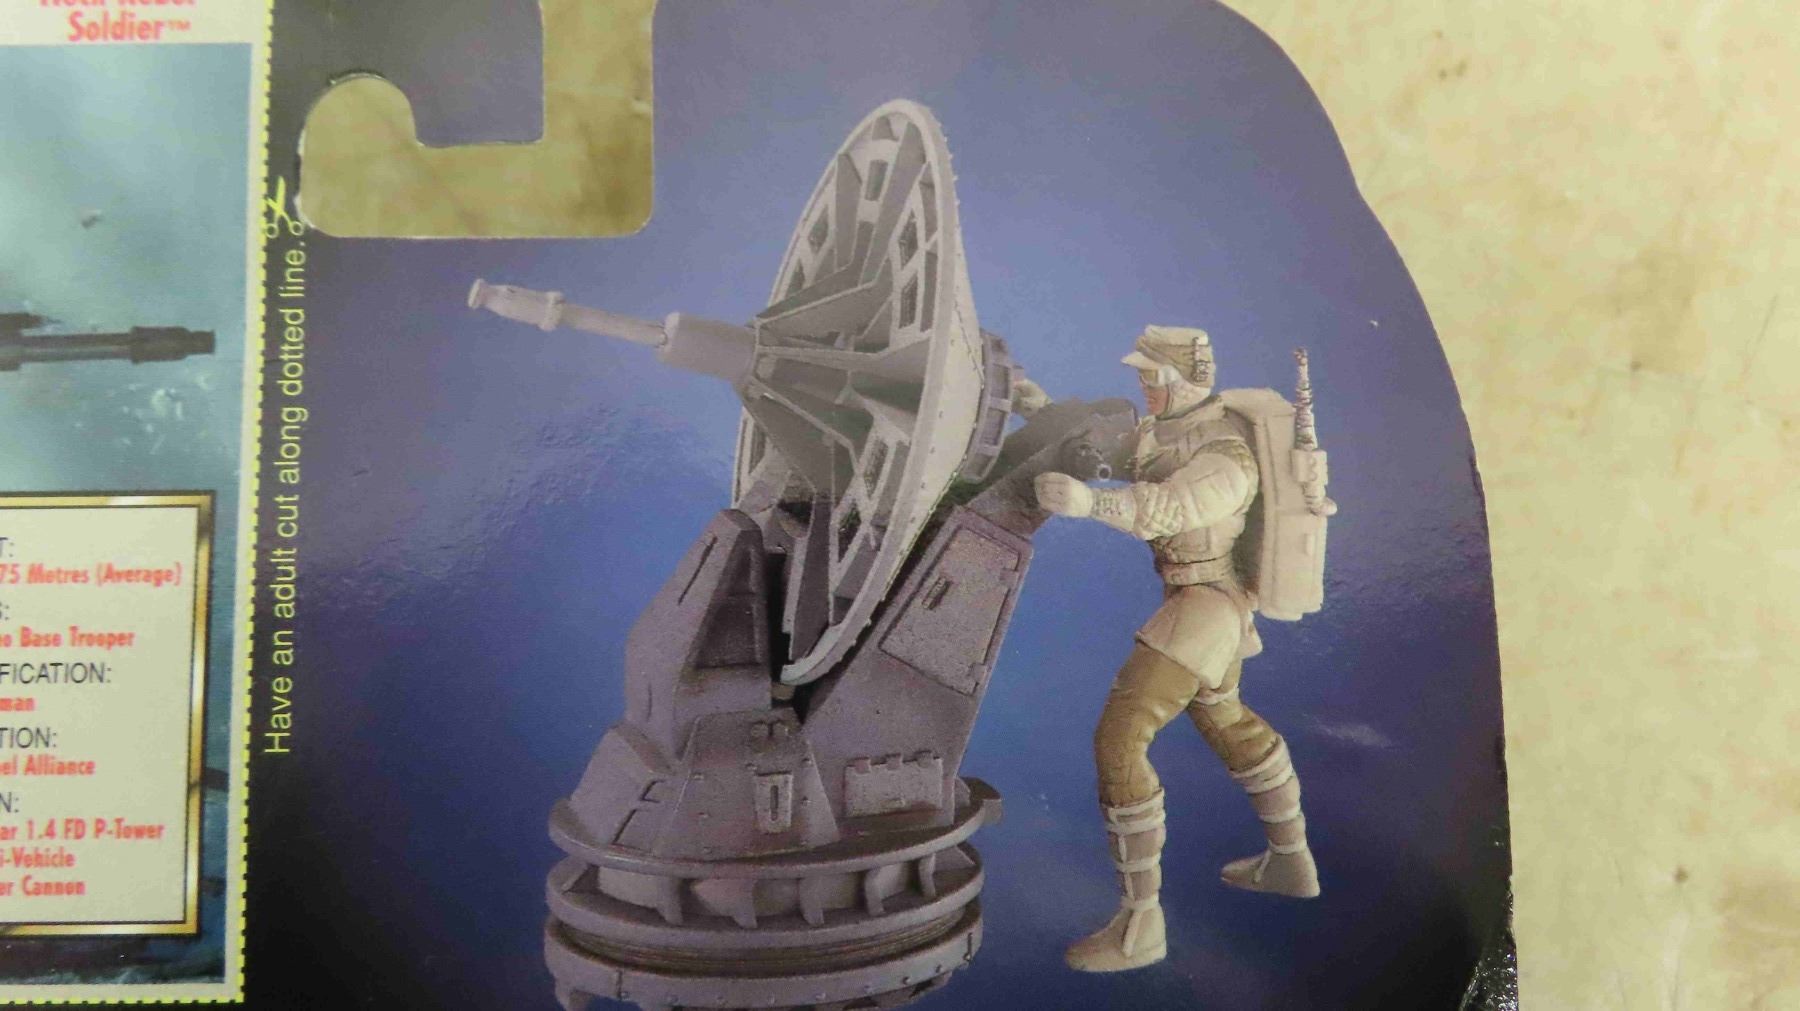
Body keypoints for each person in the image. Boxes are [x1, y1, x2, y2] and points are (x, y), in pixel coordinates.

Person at [1031, 325, 1319, 974]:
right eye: (1142, 375)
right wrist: (1034, 404)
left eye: (1152, 376)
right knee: (1226, 719)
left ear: (1184, 379)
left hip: (1206, 607)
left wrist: (1089, 504)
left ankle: (1141, 925)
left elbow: (1169, 508)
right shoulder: (1169, 431)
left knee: (1121, 738)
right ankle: (1292, 860)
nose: (1143, 386)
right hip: (1202, 604)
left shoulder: (1226, 454)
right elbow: (1109, 450)